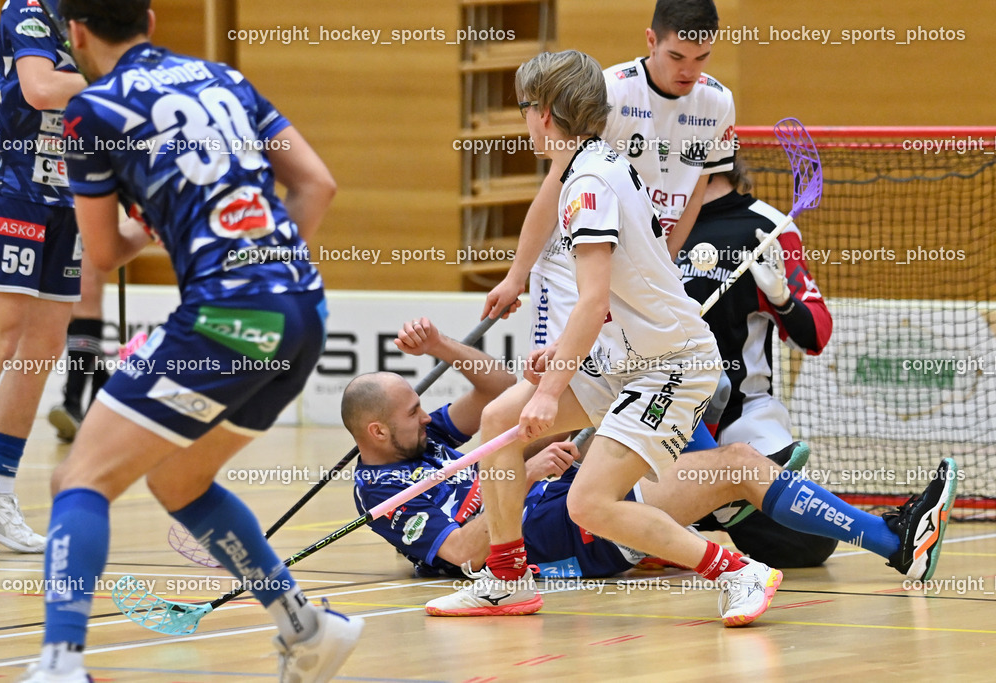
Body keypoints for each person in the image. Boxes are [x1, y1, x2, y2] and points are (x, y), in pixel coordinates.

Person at [425, 50, 957, 627]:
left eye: (525, 108)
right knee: (501, 421)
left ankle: (737, 571)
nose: (522, 120)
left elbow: (595, 299)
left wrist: (553, 389)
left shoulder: (588, 187)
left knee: (590, 503)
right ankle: (506, 577)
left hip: (670, 365)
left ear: (546, 113)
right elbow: (626, 290)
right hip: (627, 354)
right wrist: (565, 355)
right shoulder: (598, 164)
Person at [25, 1, 360, 680]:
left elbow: (102, 251)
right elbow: (317, 185)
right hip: (302, 309)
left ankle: (59, 664)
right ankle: (307, 626)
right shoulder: (225, 80)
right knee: (180, 479)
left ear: (77, 34)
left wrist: (157, 220)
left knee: (78, 477)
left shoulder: (92, 111)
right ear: (150, 19)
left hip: (226, 316)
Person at [482, 0, 736, 324]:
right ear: (652, 40)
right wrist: (516, 276)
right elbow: (556, 181)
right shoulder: (612, 91)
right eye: (676, 57)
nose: (689, 70)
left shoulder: (718, 102)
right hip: (571, 263)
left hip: (639, 266)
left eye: (702, 58)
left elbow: (696, 193)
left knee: (614, 372)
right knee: (559, 370)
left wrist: (664, 265)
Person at [347, 318, 647, 581]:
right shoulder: (380, 490)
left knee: (537, 414)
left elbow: (499, 387)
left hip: (543, 494)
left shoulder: (420, 438)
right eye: (413, 413)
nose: (426, 417)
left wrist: (438, 345)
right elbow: (465, 552)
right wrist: (525, 475)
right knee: (692, 473)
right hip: (535, 529)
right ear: (379, 432)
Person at [0, 0, 88, 561]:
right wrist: (114, 73)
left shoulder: (96, 18)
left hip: (68, 200)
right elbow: (40, 88)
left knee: (42, 346)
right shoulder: (30, 9)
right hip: (12, 191)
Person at [681, 156, 839, 567]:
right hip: (660, 414)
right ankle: (702, 506)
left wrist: (783, 301)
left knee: (806, 543)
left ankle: (704, 507)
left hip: (741, 417)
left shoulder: (767, 228)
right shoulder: (649, 220)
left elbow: (816, 335)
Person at [47, 255, 110, 442]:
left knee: (85, 290)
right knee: (69, 305)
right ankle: (104, 394)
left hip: (85, 227)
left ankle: (72, 403)